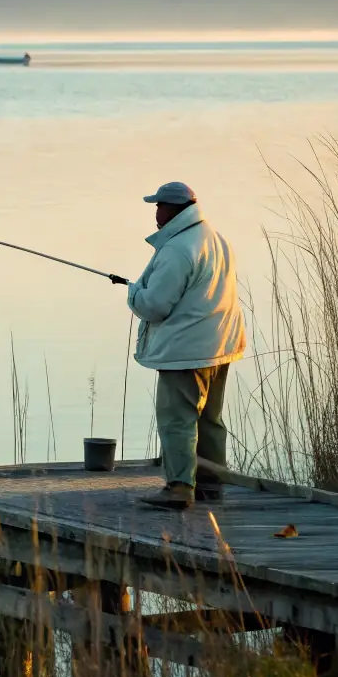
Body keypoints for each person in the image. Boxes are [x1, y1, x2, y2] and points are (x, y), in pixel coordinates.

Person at [112, 182, 246, 509]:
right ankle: (211, 487)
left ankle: (179, 487)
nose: (156, 213)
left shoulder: (176, 249)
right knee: (210, 420)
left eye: (160, 206)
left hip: (187, 351)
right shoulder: (216, 239)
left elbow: (154, 306)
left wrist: (132, 292)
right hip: (220, 344)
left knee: (177, 419)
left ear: (176, 209)